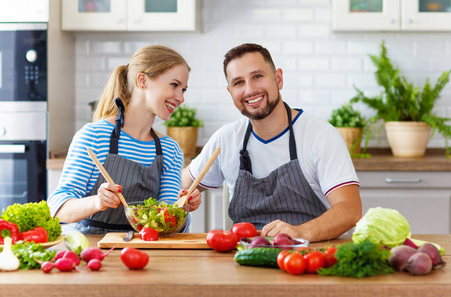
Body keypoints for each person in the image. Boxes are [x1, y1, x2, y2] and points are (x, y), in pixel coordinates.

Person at [182, 43, 362, 242]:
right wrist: (183, 197)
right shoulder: (226, 139)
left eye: (257, 76)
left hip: (306, 258)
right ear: (230, 91)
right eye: (238, 83)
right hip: (244, 260)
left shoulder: (320, 136)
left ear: (278, 78)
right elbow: (178, 188)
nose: (250, 90)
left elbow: (350, 210)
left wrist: (300, 233)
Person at [48, 45, 201, 234]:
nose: (180, 98)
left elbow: (165, 225)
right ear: (142, 80)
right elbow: (58, 208)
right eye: (174, 85)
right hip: (90, 250)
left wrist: (180, 209)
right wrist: (97, 202)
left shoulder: (170, 150)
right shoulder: (94, 136)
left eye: (183, 89)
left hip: (143, 250)